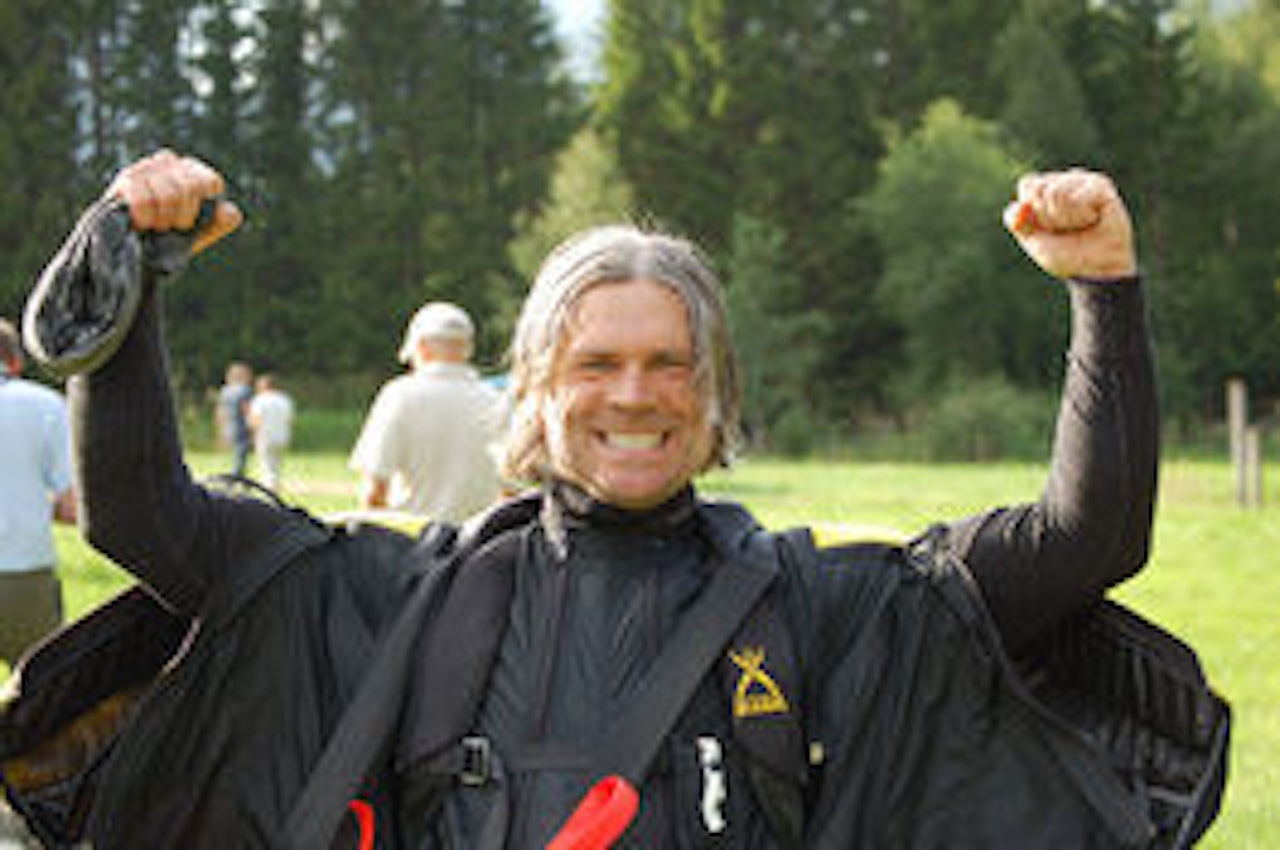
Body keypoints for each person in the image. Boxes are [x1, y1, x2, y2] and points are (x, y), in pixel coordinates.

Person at [0, 150, 1227, 848]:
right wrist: (131, 280)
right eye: (595, 362)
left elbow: (1087, 537)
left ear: (715, 393)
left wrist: (1101, 292)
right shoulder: (395, 595)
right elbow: (140, 518)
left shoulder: (826, 603)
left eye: (667, 362)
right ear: (533, 390)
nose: (631, 394)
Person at [349, 300, 503, 522]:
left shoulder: (399, 395)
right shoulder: (495, 400)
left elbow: (374, 490)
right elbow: (511, 490)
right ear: (468, 348)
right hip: (476, 545)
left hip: (413, 541)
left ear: (420, 347)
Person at [0, 318, 76, 669]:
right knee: (39, 704)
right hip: (24, 574)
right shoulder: (44, 405)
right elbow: (72, 506)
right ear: (15, 361)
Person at [248, 372, 296, 492]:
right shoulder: (285, 399)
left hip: (265, 434)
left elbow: (256, 419)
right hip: (282, 435)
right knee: (277, 462)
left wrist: (253, 435)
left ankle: (269, 486)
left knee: (266, 462)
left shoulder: (260, 399)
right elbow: (290, 419)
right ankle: (275, 482)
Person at [216, 360, 254, 477]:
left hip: (227, 424)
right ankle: (237, 475)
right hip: (240, 424)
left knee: (233, 451)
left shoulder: (225, 391)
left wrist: (220, 427)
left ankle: (232, 473)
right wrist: (252, 427)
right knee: (241, 452)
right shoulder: (245, 390)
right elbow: (246, 409)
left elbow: (220, 411)